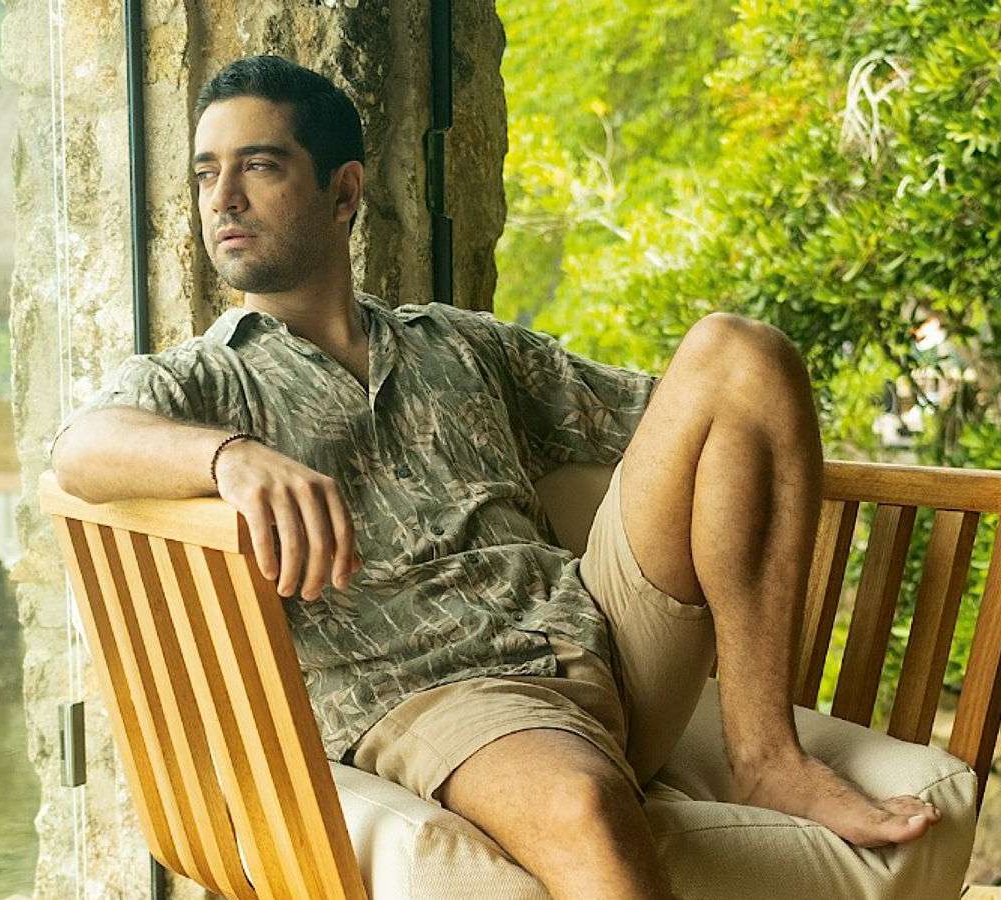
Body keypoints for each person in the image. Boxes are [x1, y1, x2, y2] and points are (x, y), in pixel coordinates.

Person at [49, 55, 941, 900]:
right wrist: (228, 456)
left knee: (740, 352)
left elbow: (696, 424)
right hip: (439, 692)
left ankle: (766, 756)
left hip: (599, 638)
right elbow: (79, 448)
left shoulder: (458, 342)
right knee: (582, 805)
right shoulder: (204, 380)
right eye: (206, 174)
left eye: (259, 166)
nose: (223, 198)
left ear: (344, 192)